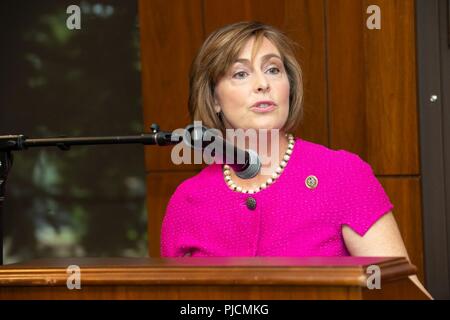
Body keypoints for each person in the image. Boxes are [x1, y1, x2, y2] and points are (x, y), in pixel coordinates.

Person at [160, 21, 431, 298]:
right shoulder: (188, 200)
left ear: (289, 85)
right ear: (214, 99)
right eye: (240, 74)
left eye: (273, 70)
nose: (263, 84)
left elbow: (403, 292)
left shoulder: (342, 174)